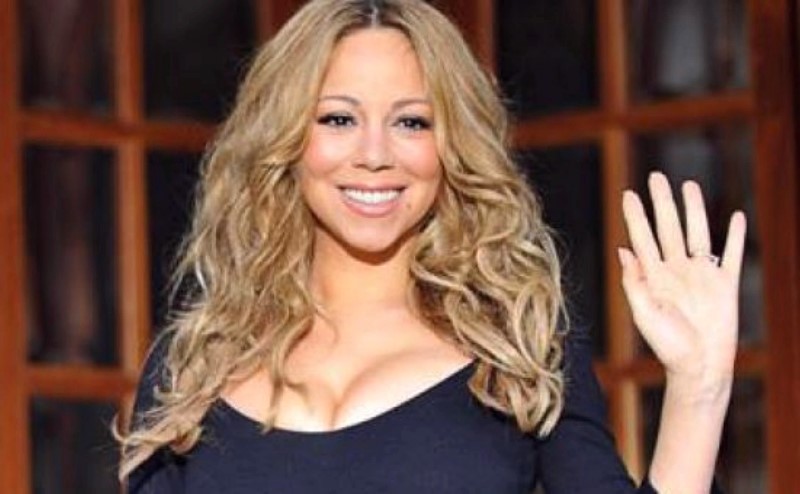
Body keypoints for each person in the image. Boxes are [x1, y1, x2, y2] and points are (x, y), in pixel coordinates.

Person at [117, 0, 747, 492]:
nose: (374, 154)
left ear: (452, 146)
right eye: (338, 118)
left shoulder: (521, 348)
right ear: (284, 138)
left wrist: (699, 389)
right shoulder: (191, 368)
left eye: (412, 122)